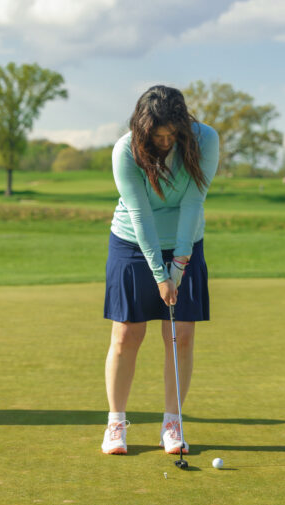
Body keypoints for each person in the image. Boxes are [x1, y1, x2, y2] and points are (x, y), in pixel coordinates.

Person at [101, 85, 219, 455]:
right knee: (126, 334)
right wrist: (159, 274)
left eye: (172, 135)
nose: (166, 142)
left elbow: (193, 203)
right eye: (158, 136)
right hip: (133, 243)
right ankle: (116, 423)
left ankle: (172, 423)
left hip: (186, 241)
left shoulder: (205, 140)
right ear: (143, 129)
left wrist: (178, 268)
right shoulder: (125, 151)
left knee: (181, 334)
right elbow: (140, 215)